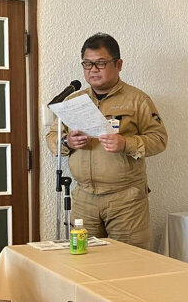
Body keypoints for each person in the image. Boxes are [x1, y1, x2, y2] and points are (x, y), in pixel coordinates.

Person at [46, 33, 167, 249]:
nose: (93, 70)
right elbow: (51, 137)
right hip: (84, 198)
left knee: (128, 261)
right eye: (87, 64)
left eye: (101, 63)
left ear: (118, 64)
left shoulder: (137, 100)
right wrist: (67, 142)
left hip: (126, 200)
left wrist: (126, 144)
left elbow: (159, 139)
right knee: (83, 261)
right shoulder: (73, 101)